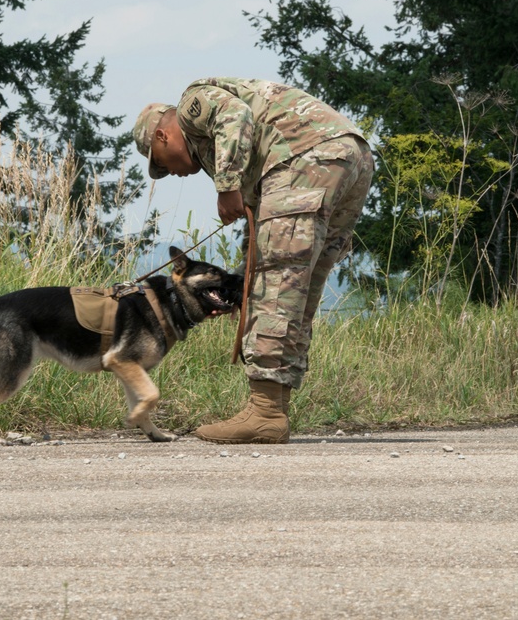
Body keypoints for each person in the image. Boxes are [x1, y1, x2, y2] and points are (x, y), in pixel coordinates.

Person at [133, 77, 374, 444]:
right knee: (297, 288)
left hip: (305, 155)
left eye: (162, 165)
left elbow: (235, 115)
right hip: (348, 156)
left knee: (275, 284)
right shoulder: (225, 146)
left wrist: (226, 186)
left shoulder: (190, 105)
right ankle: (274, 408)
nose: (172, 174)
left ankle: (265, 413)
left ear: (162, 137)